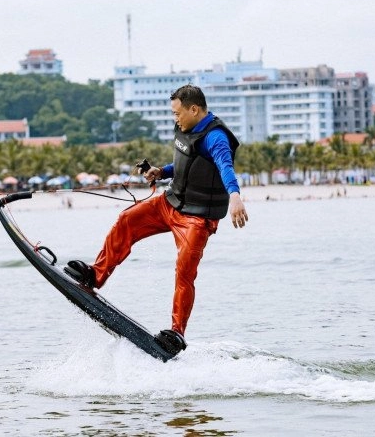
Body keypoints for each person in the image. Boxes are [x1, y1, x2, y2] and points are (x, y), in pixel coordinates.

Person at [65, 84, 248, 354]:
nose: (175, 118)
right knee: (127, 220)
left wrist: (235, 195)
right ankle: (96, 275)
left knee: (184, 272)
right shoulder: (188, 130)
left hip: (196, 219)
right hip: (169, 203)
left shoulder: (216, 137)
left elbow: (224, 166)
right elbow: (187, 164)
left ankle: (176, 334)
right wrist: (160, 172)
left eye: (177, 114)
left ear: (194, 109)